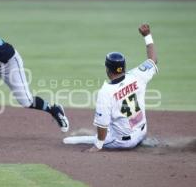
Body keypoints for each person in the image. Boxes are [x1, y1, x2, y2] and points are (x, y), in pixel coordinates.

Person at [63, 24, 158, 152]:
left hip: (123, 142)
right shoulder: (138, 75)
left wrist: (98, 145)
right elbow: (153, 59)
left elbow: (102, 124)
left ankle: (87, 140)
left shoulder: (106, 91)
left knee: (73, 140)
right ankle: (139, 138)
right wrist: (147, 35)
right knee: (116, 124)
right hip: (142, 131)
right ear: (124, 67)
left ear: (107, 69)